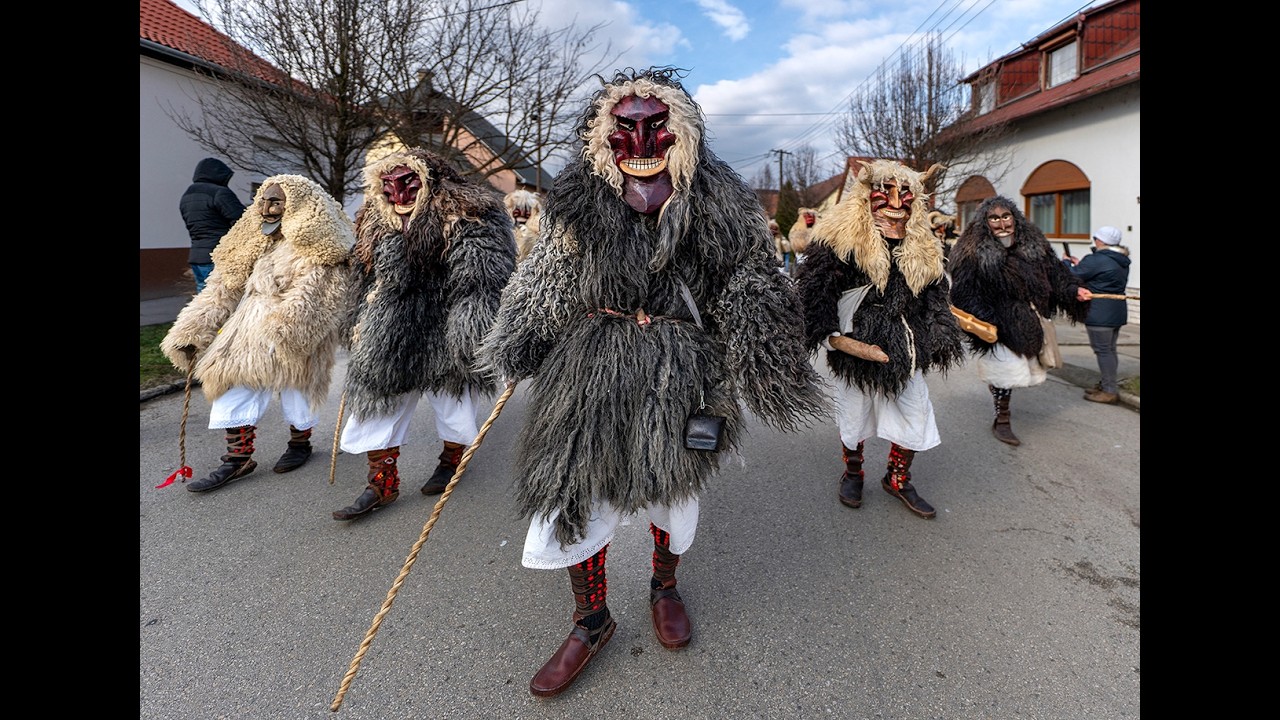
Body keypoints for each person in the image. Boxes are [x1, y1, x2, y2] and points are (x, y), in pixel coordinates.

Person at [479, 67, 829, 698]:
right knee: (572, 488)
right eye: (625, 128)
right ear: (602, 136)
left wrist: (762, 346)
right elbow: (547, 277)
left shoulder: (720, 204)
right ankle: (591, 620)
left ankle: (664, 585)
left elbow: (751, 277)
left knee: (676, 489)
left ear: (682, 132)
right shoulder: (577, 204)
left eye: (656, 127)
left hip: (682, 368)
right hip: (593, 365)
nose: (640, 144)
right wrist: (524, 334)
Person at [330, 148, 517, 521]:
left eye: (408, 183)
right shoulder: (374, 219)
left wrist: (471, 329)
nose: (399, 194)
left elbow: (482, 279)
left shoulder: (467, 214)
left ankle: (451, 460)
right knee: (377, 403)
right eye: (390, 185)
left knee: (454, 406)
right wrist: (357, 319)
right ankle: (381, 483)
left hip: (445, 325)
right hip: (391, 327)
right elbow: (365, 276)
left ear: (429, 181)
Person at [161, 175, 355, 492]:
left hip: (294, 326)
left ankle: (300, 443)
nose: (266, 209)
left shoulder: (319, 247)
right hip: (248, 327)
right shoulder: (250, 242)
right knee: (231, 383)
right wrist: (193, 329)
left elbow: (319, 293)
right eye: (263, 201)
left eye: (275, 202)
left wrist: (289, 329)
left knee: (297, 390)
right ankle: (238, 458)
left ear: (297, 206)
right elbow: (221, 288)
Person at [796, 160, 966, 520]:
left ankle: (897, 478)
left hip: (906, 349)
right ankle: (853, 473)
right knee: (854, 417)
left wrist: (940, 333)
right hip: (855, 349)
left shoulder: (924, 247)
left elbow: (935, 297)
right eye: (884, 192)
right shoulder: (840, 242)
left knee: (915, 415)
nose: (896, 202)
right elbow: (816, 295)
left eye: (905, 193)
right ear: (865, 197)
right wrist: (834, 339)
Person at [948, 196, 1092, 446]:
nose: (1002, 224)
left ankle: (1000, 398)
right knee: (1005, 372)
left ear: (1014, 218)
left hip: (1027, 320)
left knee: (1020, 370)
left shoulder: (1034, 244)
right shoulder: (971, 251)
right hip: (996, 323)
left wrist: (1074, 290)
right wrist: (990, 322)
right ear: (985, 222)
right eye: (994, 218)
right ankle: (1002, 418)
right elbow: (963, 292)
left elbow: (1057, 274)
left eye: (1006, 216)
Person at [1065, 225, 1131, 404]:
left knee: (1103, 351)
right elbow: (1098, 275)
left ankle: (1109, 391)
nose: (1094, 241)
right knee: (1109, 350)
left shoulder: (1096, 259)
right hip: (1116, 310)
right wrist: (1081, 264)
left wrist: (1067, 263)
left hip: (1099, 312)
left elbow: (1072, 275)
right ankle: (1107, 384)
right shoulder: (1121, 259)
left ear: (1101, 241)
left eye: (1095, 238)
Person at [179, 157, 248, 294]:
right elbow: (243, 221)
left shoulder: (187, 195)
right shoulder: (219, 192)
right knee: (225, 298)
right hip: (218, 256)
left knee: (203, 298)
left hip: (196, 257)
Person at [504, 188, 544, 263]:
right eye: (518, 209)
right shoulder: (505, 232)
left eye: (526, 209)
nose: (522, 213)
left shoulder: (538, 233)